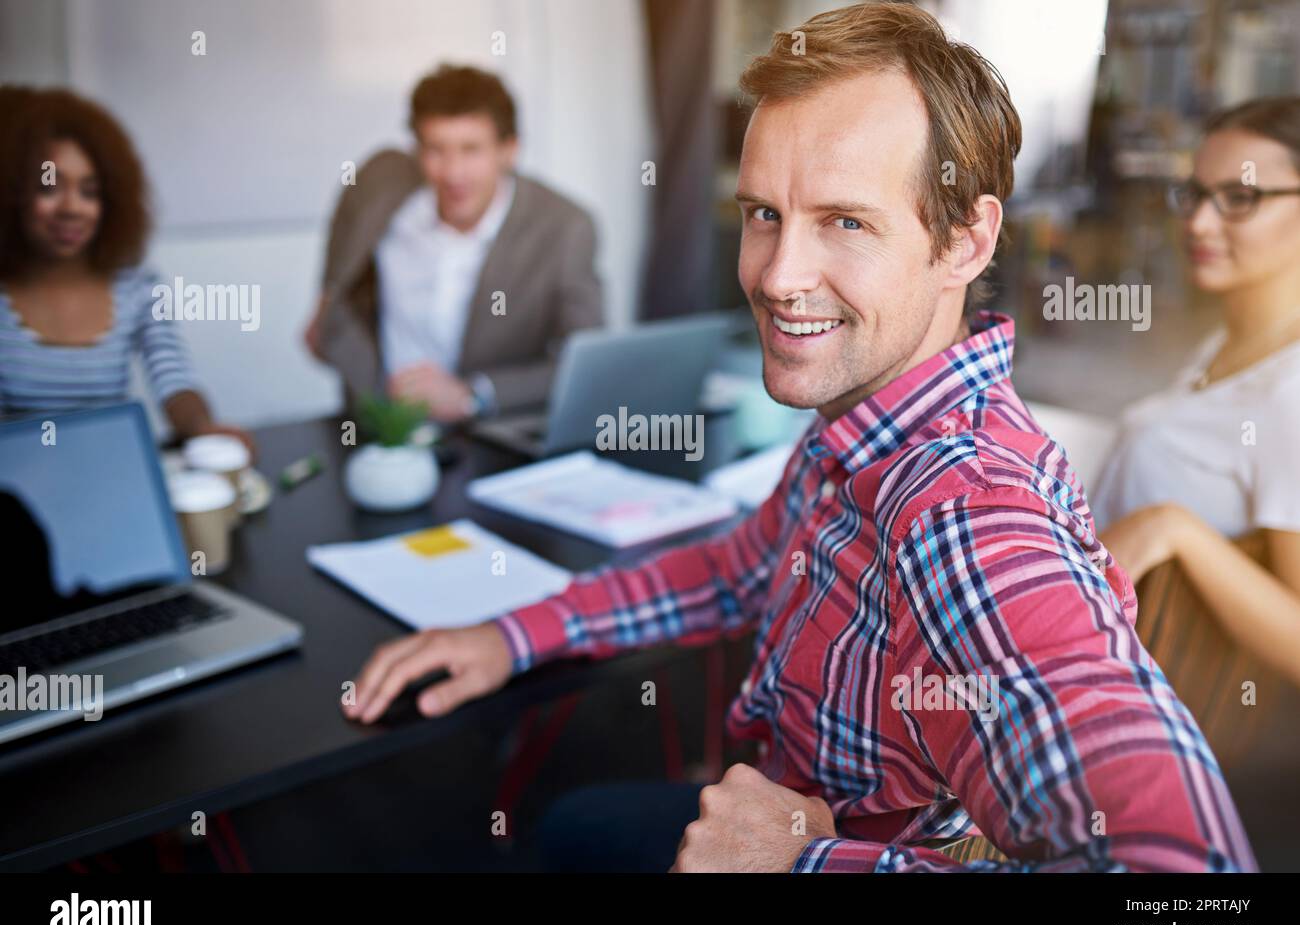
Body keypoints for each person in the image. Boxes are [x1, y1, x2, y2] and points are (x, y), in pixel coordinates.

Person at [345, 2, 1256, 872]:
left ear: (967, 242)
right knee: (576, 825)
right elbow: (738, 564)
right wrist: (514, 634)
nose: (778, 276)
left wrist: (804, 859)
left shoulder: (966, 518)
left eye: (845, 221)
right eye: (762, 213)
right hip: (759, 801)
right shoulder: (863, 423)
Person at [1093, 97, 1300, 687]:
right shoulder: (1221, 345)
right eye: (1195, 195)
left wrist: (1174, 529)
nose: (1200, 223)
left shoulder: (1291, 392)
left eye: (1241, 198)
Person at [303, 64, 604, 422]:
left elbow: (587, 362)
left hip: (484, 435)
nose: (452, 173)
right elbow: (342, 261)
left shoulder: (565, 228)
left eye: (471, 149)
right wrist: (328, 311)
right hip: (376, 424)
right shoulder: (378, 179)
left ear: (509, 150)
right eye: (436, 149)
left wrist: (473, 396)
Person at [0, 87, 250, 449]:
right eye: (49, 187)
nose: (72, 208)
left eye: (90, 191)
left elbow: (174, 379)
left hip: (114, 473)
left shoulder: (137, 287)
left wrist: (202, 430)